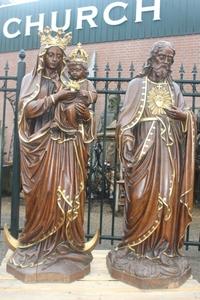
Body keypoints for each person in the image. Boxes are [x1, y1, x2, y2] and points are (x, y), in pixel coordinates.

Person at [5, 27, 98, 282]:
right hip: (42, 148)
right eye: (51, 55)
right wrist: (57, 97)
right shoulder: (31, 81)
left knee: (68, 194)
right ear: (43, 56)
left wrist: (83, 115)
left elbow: (83, 108)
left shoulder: (70, 79)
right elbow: (28, 110)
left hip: (68, 148)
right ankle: (36, 243)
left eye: (59, 56)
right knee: (44, 195)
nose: (55, 60)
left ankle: (66, 247)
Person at [107, 41, 196, 289]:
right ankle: (136, 248)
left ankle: (163, 248)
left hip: (168, 154)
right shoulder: (137, 85)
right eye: (162, 57)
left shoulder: (175, 88)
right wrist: (126, 139)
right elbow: (125, 119)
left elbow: (189, 114)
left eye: (170, 59)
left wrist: (184, 117)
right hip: (143, 154)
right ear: (153, 57)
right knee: (139, 197)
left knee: (166, 198)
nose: (165, 63)